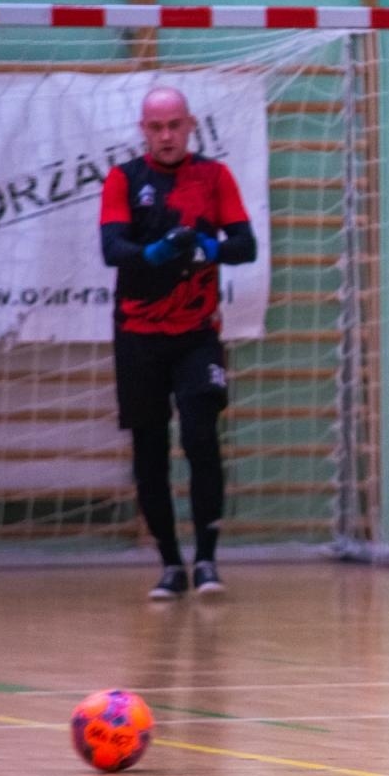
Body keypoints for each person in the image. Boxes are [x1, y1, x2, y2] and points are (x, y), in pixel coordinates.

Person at [99, 87, 257, 600]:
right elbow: (111, 248)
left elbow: (245, 244)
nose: (166, 135)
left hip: (195, 336)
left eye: (175, 125)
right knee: (149, 451)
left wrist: (209, 246)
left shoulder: (215, 176)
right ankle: (170, 565)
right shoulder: (125, 179)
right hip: (138, 336)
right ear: (144, 131)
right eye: (156, 127)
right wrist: (156, 252)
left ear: (190, 125)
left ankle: (207, 559)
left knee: (200, 437)